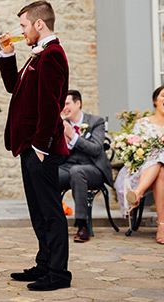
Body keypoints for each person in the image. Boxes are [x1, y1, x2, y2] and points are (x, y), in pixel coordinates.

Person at [0, 0, 72, 291]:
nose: (22, 31)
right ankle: (44, 265)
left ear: (39, 24)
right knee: (37, 210)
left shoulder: (52, 55)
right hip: (28, 146)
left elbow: (51, 106)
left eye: (24, 25)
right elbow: (15, 87)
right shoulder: (38, 54)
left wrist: (41, 147)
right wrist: (7, 53)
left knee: (51, 211)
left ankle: (59, 274)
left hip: (41, 147)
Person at [115, 85, 164, 245]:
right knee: (160, 161)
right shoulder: (142, 124)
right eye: (163, 95)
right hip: (144, 170)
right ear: (156, 101)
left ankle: (138, 193)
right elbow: (136, 149)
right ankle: (161, 226)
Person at [59, 90, 113, 242]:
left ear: (78, 103)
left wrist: (74, 137)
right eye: (62, 104)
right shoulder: (61, 124)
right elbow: (58, 156)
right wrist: (64, 143)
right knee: (49, 174)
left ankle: (82, 225)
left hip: (93, 168)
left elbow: (96, 149)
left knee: (78, 172)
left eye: (67, 103)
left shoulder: (96, 122)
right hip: (67, 167)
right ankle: (53, 224)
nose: (64, 108)